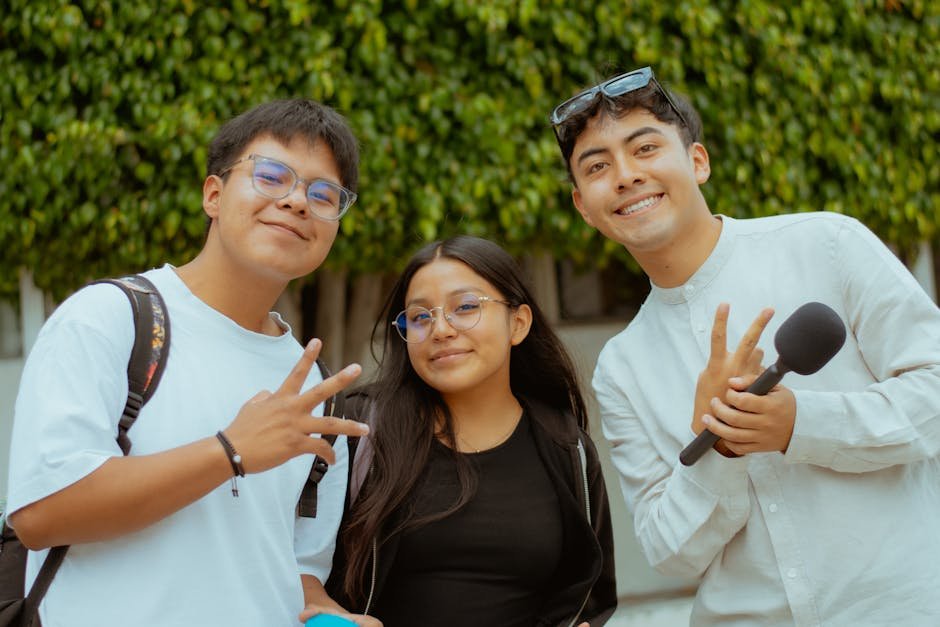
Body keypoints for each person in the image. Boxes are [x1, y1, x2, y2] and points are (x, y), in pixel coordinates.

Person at [550, 66, 940, 625]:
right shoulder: (621, 367)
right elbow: (669, 553)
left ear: (698, 161)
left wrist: (797, 426)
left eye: (645, 148)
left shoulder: (828, 244)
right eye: (597, 166)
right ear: (583, 206)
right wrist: (720, 451)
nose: (626, 175)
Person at [5, 98, 373, 626]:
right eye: (272, 176)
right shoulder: (113, 319)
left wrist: (325, 610)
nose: (297, 202)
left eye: (324, 194)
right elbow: (41, 513)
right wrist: (229, 451)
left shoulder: (314, 384)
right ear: (214, 195)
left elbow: (293, 568)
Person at [300, 235, 617, 626]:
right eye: (419, 317)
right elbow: (290, 558)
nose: (441, 329)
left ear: (518, 323)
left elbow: (590, 597)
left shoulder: (566, 447)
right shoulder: (358, 429)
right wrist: (329, 617)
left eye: (465, 307)